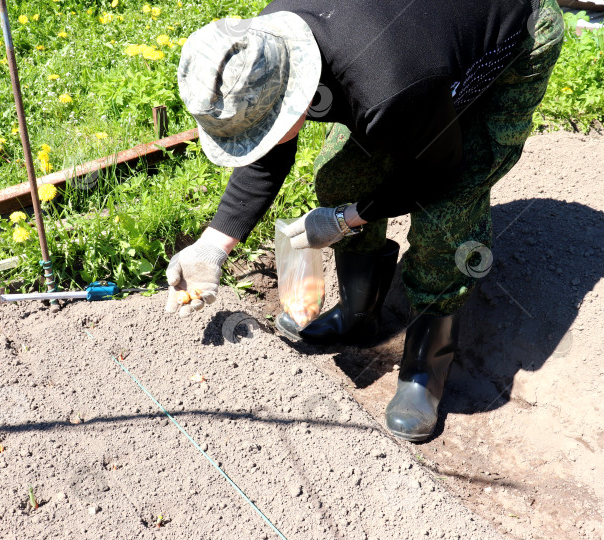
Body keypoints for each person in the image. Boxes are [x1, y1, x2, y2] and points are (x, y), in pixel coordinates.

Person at [166, 0, 564, 442]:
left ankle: (424, 367)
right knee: (341, 177)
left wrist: (346, 219)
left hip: (513, 31)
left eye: (270, 125)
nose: (266, 138)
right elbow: (267, 152)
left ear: (295, 87)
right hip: (415, 50)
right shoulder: (262, 45)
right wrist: (212, 245)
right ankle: (359, 313)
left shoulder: (388, 88)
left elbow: (437, 173)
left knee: (448, 215)